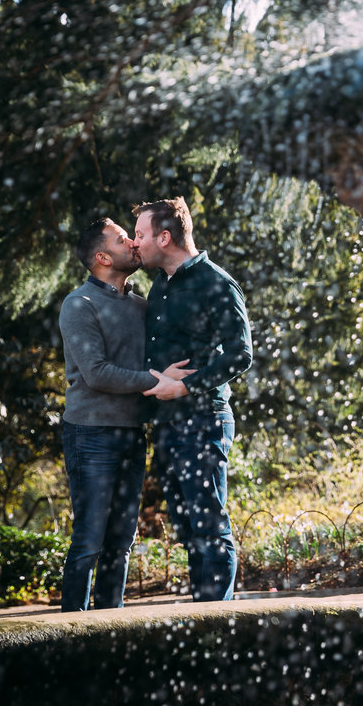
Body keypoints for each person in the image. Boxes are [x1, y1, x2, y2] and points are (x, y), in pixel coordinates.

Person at [58, 217, 192, 612]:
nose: (134, 243)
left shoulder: (140, 304)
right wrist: (156, 380)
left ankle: (108, 630)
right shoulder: (78, 304)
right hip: (90, 433)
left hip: (132, 434)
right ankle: (70, 635)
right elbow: (95, 372)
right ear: (102, 257)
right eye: (123, 239)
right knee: (89, 539)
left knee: (122, 540)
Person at [132, 196, 253, 602]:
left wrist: (184, 386)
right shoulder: (159, 284)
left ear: (165, 237)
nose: (136, 243)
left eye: (141, 235)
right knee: (187, 530)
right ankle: (205, 617)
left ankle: (217, 628)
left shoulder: (217, 283)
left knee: (210, 527)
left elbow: (241, 353)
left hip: (204, 421)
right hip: (168, 424)